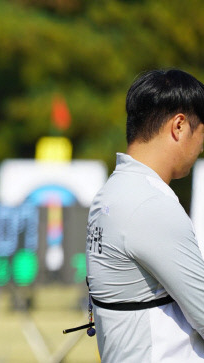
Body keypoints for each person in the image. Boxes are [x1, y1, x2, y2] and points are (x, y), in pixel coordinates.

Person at [86, 69, 204, 362]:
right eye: (203, 132)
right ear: (179, 126)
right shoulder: (149, 202)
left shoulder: (111, 193)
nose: (201, 146)